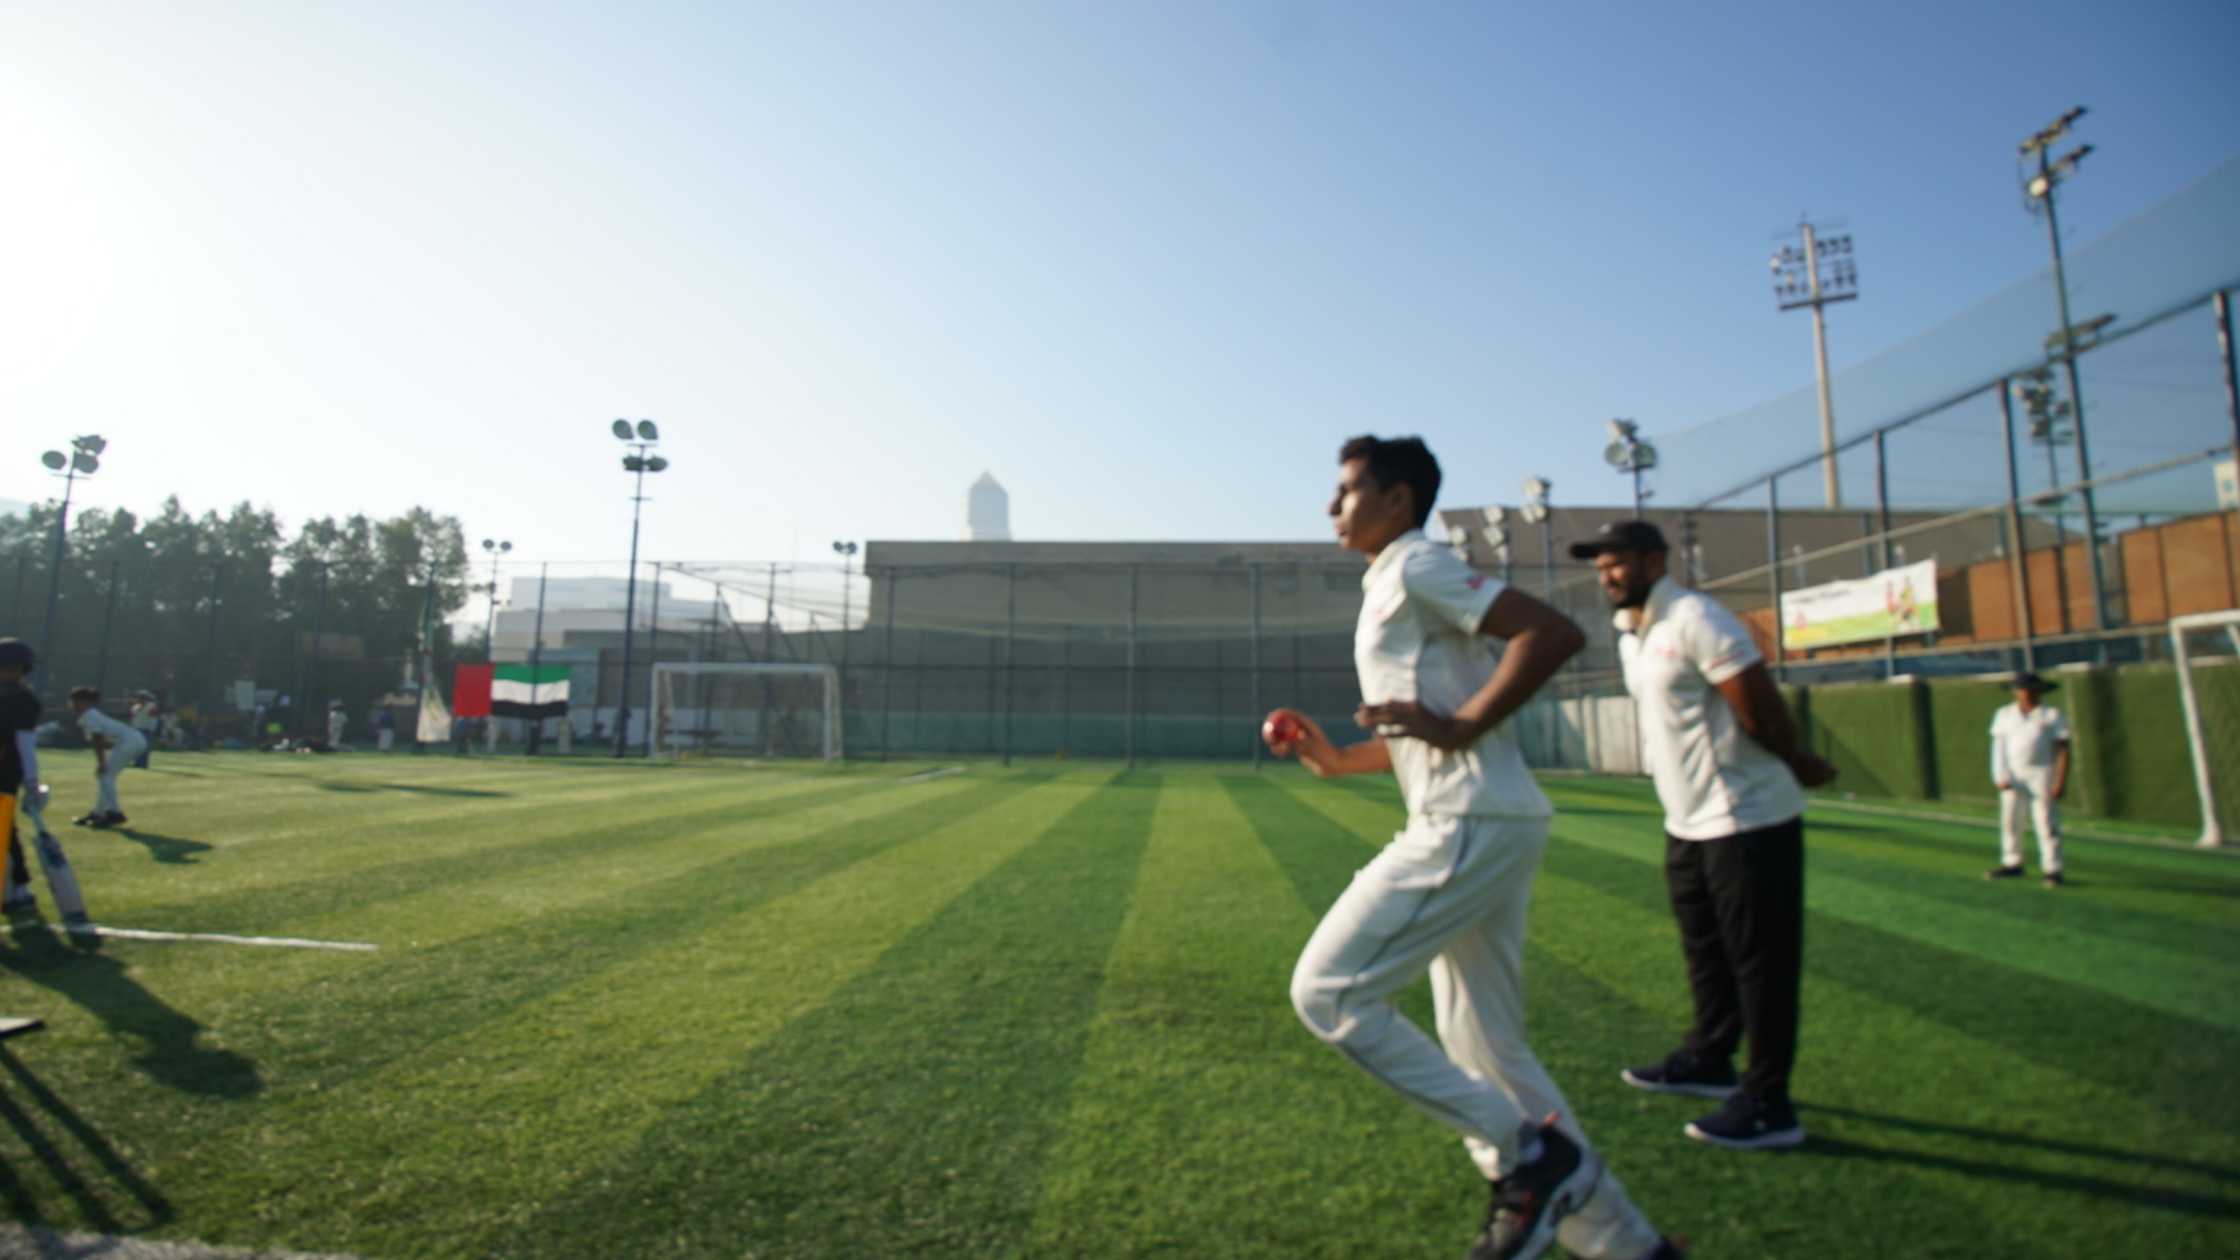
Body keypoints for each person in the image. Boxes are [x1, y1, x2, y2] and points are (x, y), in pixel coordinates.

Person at [1269, 436, 1681, 1260]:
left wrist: (1458, 728)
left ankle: (1532, 1156)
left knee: (1329, 993)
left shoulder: (1419, 564)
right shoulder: (1392, 579)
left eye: (1347, 489)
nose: (1331, 505)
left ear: (1397, 498)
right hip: (1487, 819)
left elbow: (1550, 634)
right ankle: (1632, 1247)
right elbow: (1427, 722)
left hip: (1467, 822)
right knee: (1488, 1049)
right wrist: (1336, 755)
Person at [1573, 520, 1835, 1152]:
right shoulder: (1633, 631)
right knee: (1705, 950)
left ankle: (1770, 1100)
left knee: (1760, 963)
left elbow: (1755, 700)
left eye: (1619, 562)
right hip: (1685, 821)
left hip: (1745, 816)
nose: (1608, 574)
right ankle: (1711, 1058)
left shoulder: (1697, 616)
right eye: (1600, 565)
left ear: (1654, 560)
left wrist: (1794, 759)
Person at [1986, 671, 2070, 888]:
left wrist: (2060, 780)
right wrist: (2000, 774)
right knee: (2011, 821)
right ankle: (2012, 862)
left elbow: (2062, 749)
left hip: (2042, 771)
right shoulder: (2004, 714)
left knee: (2045, 822)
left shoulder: (2051, 715)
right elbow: (1999, 748)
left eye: (2030, 689)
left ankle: (2053, 868)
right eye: (2021, 689)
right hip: (2013, 773)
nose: (2025, 693)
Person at [1, 640, 50, 914]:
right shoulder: (23, 698)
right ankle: (17, 889)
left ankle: (15, 888)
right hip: (6, 772)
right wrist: (32, 783)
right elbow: (25, 744)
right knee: (4, 830)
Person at [68, 686, 148, 829]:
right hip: (131, 741)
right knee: (106, 777)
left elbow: (98, 740)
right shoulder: (89, 715)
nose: (72, 704)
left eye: (75, 701)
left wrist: (102, 762)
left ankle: (115, 813)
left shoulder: (90, 715)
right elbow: (101, 740)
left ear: (85, 702)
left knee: (105, 776)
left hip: (130, 741)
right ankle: (97, 813)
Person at [129, 690, 158, 768]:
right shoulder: (135, 706)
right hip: (136, 729)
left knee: (144, 748)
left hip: (146, 729)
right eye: (138, 697)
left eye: (141, 697)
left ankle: (143, 764)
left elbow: (153, 716)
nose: (139, 699)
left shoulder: (151, 705)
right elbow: (133, 716)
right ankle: (137, 763)